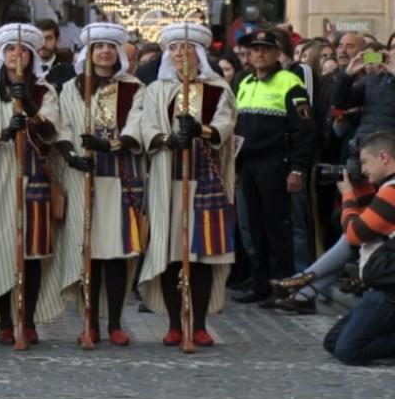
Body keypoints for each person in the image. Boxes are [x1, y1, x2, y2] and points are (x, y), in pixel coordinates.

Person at [138, 23, 238, 347]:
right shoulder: (157, 90)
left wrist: (200, 130)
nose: (181, 54)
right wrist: (170, 138)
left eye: (187, 49)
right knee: (170, 253)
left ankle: (199, 323)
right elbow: (148, 127)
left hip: (204, 179)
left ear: (199, 53)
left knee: (202, 255)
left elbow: (226, 122)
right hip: (169, 180)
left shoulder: (217, 88)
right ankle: (173, 322)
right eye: (175, 49)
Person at [0, 24, 65, 344]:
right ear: (1, 53)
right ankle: (4, 321)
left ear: (31, 55)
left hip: (33, 176)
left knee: (31, 251)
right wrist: (4, 134)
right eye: (11, 49)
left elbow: (52, 131)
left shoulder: (45, 91)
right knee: (0, 249)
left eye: (23, 50)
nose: (16, 55)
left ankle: (27, 319)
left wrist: (30, 108)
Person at [53, 24, 146, 346]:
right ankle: (89, 322)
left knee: (116, 253)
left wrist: (111, 145)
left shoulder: (133, 88)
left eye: (110, 46)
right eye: (98, 47)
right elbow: (62, 124)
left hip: (119, 179)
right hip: (82, 179)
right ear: (89, 53)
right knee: (88, 253)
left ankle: (116, 322)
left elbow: (138, 122)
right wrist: (69, 155)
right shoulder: (71, 88)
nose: (104, 51)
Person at [232, 28, 314, 305]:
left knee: (277, 228)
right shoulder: (243, 82)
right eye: (255, 49)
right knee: (253, 228)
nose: (259, 54)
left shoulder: (290, 83)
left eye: (265, 49)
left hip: (276, 163)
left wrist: (298, 169)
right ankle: (260, 285)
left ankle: (281, 286)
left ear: (277, 53)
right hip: (248, 164)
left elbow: (304, 131)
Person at [315, 131, 395, 364]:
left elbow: (354, 234)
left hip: (387, 290)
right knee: (333, 342)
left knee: (348, 351)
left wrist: (348, 195)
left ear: (384, 157)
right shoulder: (385, 188)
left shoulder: (392, 191)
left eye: (364, 162)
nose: (362, 169)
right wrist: (359, 193)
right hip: (381, 285)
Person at [36, 19, 76, 91]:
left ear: (57, 41)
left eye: (48, 38)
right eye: (39, 38)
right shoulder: (26, 69)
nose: (43, 44)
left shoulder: (69, 72)